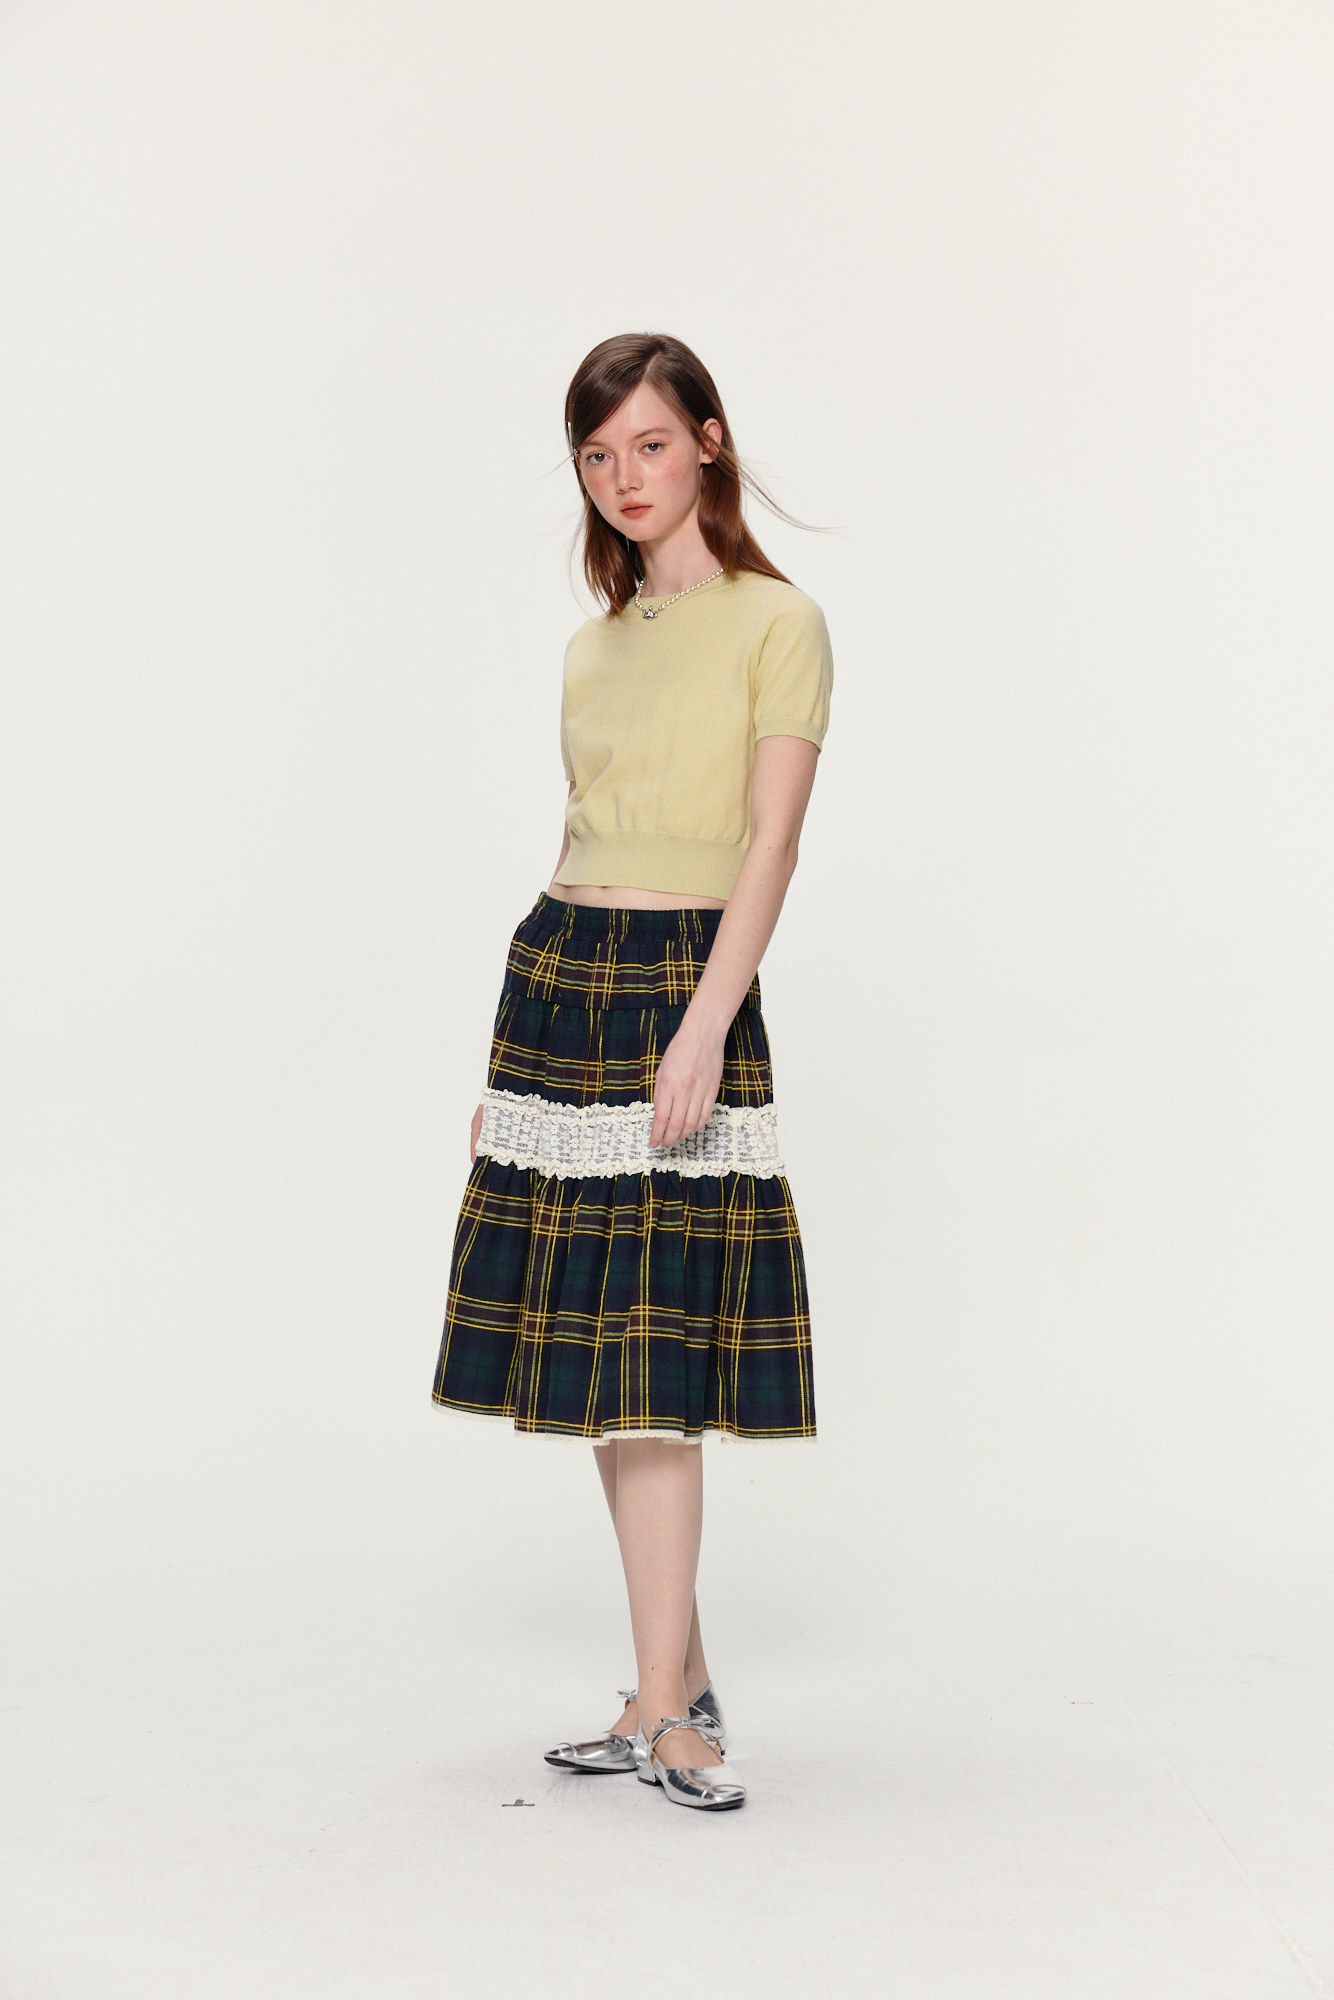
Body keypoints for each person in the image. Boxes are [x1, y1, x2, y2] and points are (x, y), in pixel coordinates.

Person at [431, 331, 833, 1813]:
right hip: (558, 978)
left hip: (680, 981)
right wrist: (511, 1072)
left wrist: (706, 1022)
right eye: (598, 456)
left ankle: (669, 1710)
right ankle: (673, 1689)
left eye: (650, 444)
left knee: (654, 1360)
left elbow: (771, 844)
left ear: (708, 442)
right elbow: (577, 836)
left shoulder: (778, 623)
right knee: (610, 1360)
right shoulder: (590, 647)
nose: (623, 478)